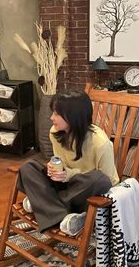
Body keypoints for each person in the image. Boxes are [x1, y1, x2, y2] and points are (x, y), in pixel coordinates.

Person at [18, 90, 119, 236]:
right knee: (28, 167)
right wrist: (55, 169)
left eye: (56, 114)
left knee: (99, 179)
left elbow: (109, 182)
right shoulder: (55, 132)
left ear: (74, 116)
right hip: (65, 187)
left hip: (83, 191)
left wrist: (69, 174)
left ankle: (42, 204)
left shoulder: (101, 143)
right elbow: (61, 164)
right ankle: (60, 214)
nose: (52, 118)